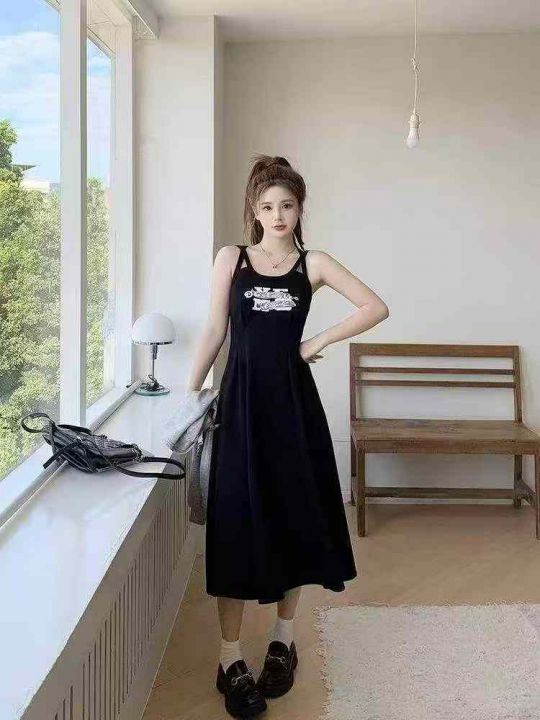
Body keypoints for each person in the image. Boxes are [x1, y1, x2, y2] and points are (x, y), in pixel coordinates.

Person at [185, 154, 390, 718]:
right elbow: (214, 329)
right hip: (240, 409)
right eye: (268, 206)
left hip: (294, 410)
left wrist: (314, 342)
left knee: (292, 516)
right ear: (254, 210)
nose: (278, 215)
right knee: (234, 524)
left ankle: (282, 640)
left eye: (288, 205)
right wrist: (188, 395)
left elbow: (375, 307)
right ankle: (230, 657)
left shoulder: (313, 264)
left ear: (300, 209)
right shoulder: (231, 259)